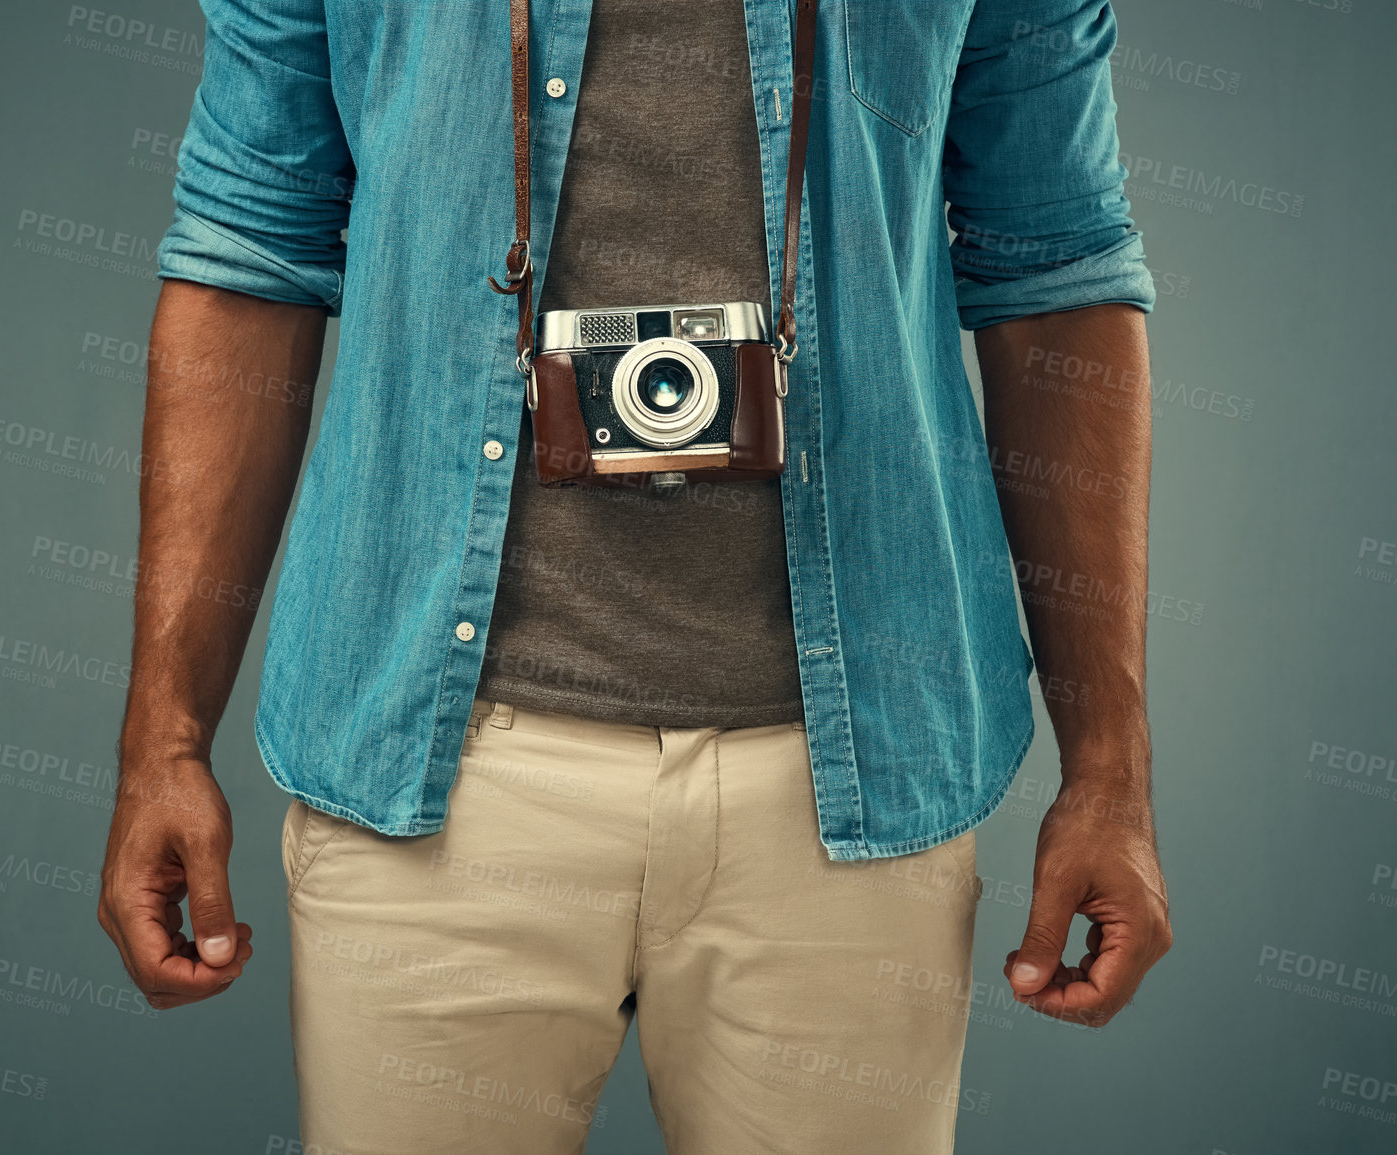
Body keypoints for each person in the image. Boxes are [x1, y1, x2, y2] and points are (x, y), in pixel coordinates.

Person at [98, 0, 1174, 1150]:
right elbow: (249, 250)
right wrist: (162, 741)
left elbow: (1060, 270)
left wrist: (1108, 769)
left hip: (855, 772)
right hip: (425, 763)